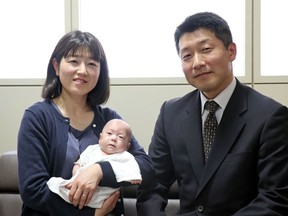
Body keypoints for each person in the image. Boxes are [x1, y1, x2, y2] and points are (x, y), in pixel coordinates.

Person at [137, 12, 288, 216]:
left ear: (231, 51)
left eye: (206, 49)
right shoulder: (170, 113)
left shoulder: (270, 116)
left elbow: (275, 198)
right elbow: (152, 186)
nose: (197, 62)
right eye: (187, 56)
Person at [17, 30, 153, 216]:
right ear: (56, 66)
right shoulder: (37, 117)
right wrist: (91, 215)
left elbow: (145, 166)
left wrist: (99, 170)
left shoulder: (109, 119)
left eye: (92, 64)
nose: (83, 70)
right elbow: (33, 189)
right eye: (74, 61)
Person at [47, 119, 142, 210]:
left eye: (120, 137)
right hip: (79, 182)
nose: (113, 138)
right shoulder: (92, 149)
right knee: (58, 185)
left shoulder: (124, 156)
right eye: (109, 133)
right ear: (100, 138)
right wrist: (76, 171)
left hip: (103, 193)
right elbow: (80, 161)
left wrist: (134, 177)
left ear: (127, 146)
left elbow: (132, 167)